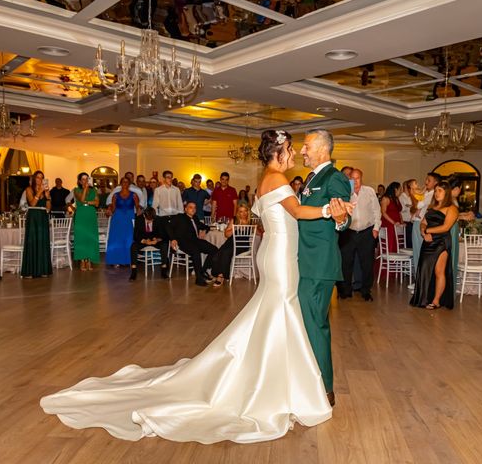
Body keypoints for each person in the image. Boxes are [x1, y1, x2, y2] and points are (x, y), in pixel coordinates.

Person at [41, 128, 350, 443]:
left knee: (276, 315)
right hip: (281, 257)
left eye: (304, 148)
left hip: (277, 254)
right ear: (279, 152)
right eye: (294, 150)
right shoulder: (278, 179)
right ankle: (282, 385)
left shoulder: (272, 179)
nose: (298, 154)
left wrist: (336, 216)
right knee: (280, 312)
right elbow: (297, 211)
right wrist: (330, 210)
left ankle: (281, 379)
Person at [299, 129, 351, 405]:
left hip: (319, 264)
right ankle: (308, 380)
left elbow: (342, 218)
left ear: (321, 149)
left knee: (316, 326)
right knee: (306, 325)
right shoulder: (312, 178)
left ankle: (324, 390)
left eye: (306, 146)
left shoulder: (335, 178)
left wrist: (341, 220)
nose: (302, 151)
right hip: (305, 261)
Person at [410, 181, 459, 309]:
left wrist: (428, 231)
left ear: (446, 192)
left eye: (440, 191)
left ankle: (436, 301)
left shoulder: (452, 208)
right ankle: (423, 298)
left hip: (441, 242)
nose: (436, 193)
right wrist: (423, 231)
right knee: (424, 269)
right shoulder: (432, 208)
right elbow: (423, 222)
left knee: (439, 271)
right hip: (428, 240)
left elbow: (446, 227)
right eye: (436, 191)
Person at [337, 168, 381, 301]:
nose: (355, 181)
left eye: (358, 178)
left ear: (362, 179)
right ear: (349, 179)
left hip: (366, 232)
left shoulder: (369, 192)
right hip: (348, 232)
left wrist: (376, 228)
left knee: (367, 263)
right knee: (346, 263)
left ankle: (366, 290)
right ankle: (345, 291)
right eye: (353, 178)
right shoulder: (345, 191)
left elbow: (376, 211)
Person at [167, 201, 217, 286]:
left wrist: (205, 230)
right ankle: (199, 279)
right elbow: (168, 226)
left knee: (214, 250)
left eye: (194, 207)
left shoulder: (195, 218)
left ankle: (203, 270)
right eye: (190, 207)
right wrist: (173, 239)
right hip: (183, 241)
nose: (193, 209)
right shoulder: (179, 217)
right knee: (195, 251)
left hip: (195, 240)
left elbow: (205, 226)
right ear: (185, 209)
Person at [210, 202, 252, 287]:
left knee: (226, 253)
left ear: (248, 212)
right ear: (238, 212)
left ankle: (221, 276)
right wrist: (235, 227)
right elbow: (226, 234)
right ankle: (215, 273)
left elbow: (259, 232)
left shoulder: (250, 221)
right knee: (217, 255)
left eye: (245, 211)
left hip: (242, 245)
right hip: (230, 243)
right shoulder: (234, 220)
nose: (243, 213)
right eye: (240, 211)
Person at [21, 171, 52, 278]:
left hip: (43, 216)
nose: (40, 180)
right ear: (34, 178)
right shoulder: (29, 189)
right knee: (32, 241)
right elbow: (32, 203)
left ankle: (43, 270)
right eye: (38, 178)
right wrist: (40, 192)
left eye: (42, 178)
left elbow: (48, 208)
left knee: (43, 242)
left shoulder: (46, 191)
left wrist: (47, 197)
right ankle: (30, 271)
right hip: (33, 216)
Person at [411, 173, 440, 276]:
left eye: (429, 180)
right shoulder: (428, 193)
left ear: (436, 182)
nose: (426, 182)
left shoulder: (432, 194)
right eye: (426, 179)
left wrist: (412, 193)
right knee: (418, 251)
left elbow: (417, 205)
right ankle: (420, 277)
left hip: (421, 223)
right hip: (419, 222)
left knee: (419, 252)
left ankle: (419, 278)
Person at [129, 207, 169, 281]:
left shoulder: (158, 219)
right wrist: (144, 241)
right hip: (144, 240)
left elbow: (164, 235)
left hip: (155, 240)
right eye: (148, 220)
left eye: (152, 220)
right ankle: (133, 272)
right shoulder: (138, 219)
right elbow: (135, 236)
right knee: (133, 246)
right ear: (144, 216)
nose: (150, 221)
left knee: (164, 244)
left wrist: (156, 239)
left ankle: (164, 269)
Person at [106, 177, 139, 266]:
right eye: (123, 182)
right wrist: (109, 210)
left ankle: (128, 261)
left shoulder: (134, 195)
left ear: (129, 184)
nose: (125, 183)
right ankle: (115, 260)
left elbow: (138, 207)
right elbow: (113, 208)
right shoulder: (115, 195)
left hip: (129, 218)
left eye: (127, 182)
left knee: (129, 239)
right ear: (120, 184)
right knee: (116, 239)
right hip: (117, 218)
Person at [73, 173, 100, 271]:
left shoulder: (94, 190)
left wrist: (87, 202)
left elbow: (97, 203)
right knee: (81, 238)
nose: (85, 181)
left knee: (90, 237)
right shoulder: (76, 190)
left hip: (91, 214)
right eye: (83, 179)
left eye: (86, 179)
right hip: (81, 215)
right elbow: (82, 199)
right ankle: (82, 260)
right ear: (80, 181)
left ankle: (89, 259)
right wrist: (85, 189)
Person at [152, 170, 184, 237]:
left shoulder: (176, 189)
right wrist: (157, 216)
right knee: (164, 237)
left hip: (175, 216)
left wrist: (181, 216)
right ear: (164, 178)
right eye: (168, 177)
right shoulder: (158, 190)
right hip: (163, 216)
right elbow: (155, 205)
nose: (170, 179)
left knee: (175, 236)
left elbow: (180, 204)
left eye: (171, 177)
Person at [380, 181, 403, 253]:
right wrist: (393, 222)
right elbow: (383, 213)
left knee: (398, 243)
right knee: (390, 244)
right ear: (395, 189)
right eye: (400, 189)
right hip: (389, 224)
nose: (401, 191)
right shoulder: (386, 198)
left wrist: (401, 222)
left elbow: (399, 212)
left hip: (397, 225)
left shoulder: (396, 199)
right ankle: (389, 262)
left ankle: (396, 262)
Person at [448, 177, 462, 279]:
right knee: (451, 255)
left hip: (454, 227)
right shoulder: (448, 199)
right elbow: (450, 216)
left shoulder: (453, 198)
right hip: (451, 227)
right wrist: (464, 216)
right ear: (457, 188)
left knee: (453, 254)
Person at [400, 179, 418, 249]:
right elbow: (401, 210)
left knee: (412, 241)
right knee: (408, 241)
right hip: (406, 221)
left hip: (412, 221)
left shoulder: (411, 197)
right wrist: (410, 207)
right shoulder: (401, 197)